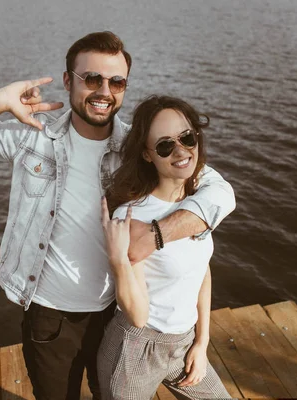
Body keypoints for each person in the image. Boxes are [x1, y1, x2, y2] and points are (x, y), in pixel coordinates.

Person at [0, 31, 235, 400]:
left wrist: (154, 235)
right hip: (52, 315)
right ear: (69, 80)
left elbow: (218, 190)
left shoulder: (135, 147)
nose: (104, 90)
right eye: (92, 79)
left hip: (115, 312)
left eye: (116, 81)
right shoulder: (34, 138)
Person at [98, 95, 232, 400]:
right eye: (164, 146)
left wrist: (201, 342)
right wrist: (119, 260)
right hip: (135, 351)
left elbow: (201, 271)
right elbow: (139, 316)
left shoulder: (197, 207)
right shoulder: (133, 217)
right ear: (148, 155)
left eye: (187, 138)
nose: (181, 151)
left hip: (183, 343)